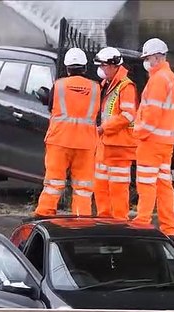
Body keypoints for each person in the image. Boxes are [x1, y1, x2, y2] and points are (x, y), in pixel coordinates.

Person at [33, 48, 100, 217]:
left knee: (53, 182)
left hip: (60, 140)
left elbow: (51, 108)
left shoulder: (59, 85)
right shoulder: (95, 88)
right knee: (83, 187)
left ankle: (45, 214)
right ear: (85, 67)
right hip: (86, 143)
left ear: (67, 68)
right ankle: (81, 219)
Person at [132, 38, 174, 240]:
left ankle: (142, 223)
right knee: (163, 185)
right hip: (166, 142)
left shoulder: (159, 79)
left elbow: (152, 115)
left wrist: (138, 132)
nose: (146, 62)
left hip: (151, 141)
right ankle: (169, 229)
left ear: (157, 57)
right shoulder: (171, 78)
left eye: (148, 57)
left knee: (146, 184)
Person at [92, 47, 138, 219]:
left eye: (103, 66)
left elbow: (127, 115)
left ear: (113, 66)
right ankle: (105, 221)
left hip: (119, 147)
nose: (101, 69)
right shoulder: (108, 85)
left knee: (118, 189)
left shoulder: (125, 87)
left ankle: (119, 223)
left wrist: (104, 128)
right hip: (106, 144)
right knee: (101, 186)